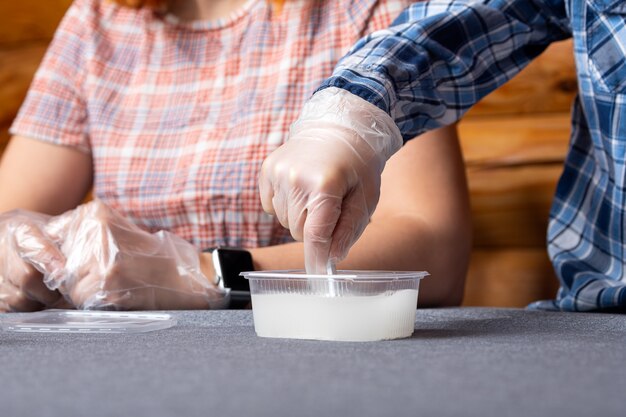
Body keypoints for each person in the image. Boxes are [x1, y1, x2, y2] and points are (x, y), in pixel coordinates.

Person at [0, 0, 471, 312]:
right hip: (129, 361)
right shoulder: (98, 23)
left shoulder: (367, 10)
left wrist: (203, 274)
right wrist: (18, 249)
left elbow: (434, 251)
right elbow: (10, 215)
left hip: (312, 351)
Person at [261, 0, 626, 312]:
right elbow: (456, 23)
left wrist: (222, 271)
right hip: (600, 317)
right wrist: (343, 117)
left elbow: (431, 244)